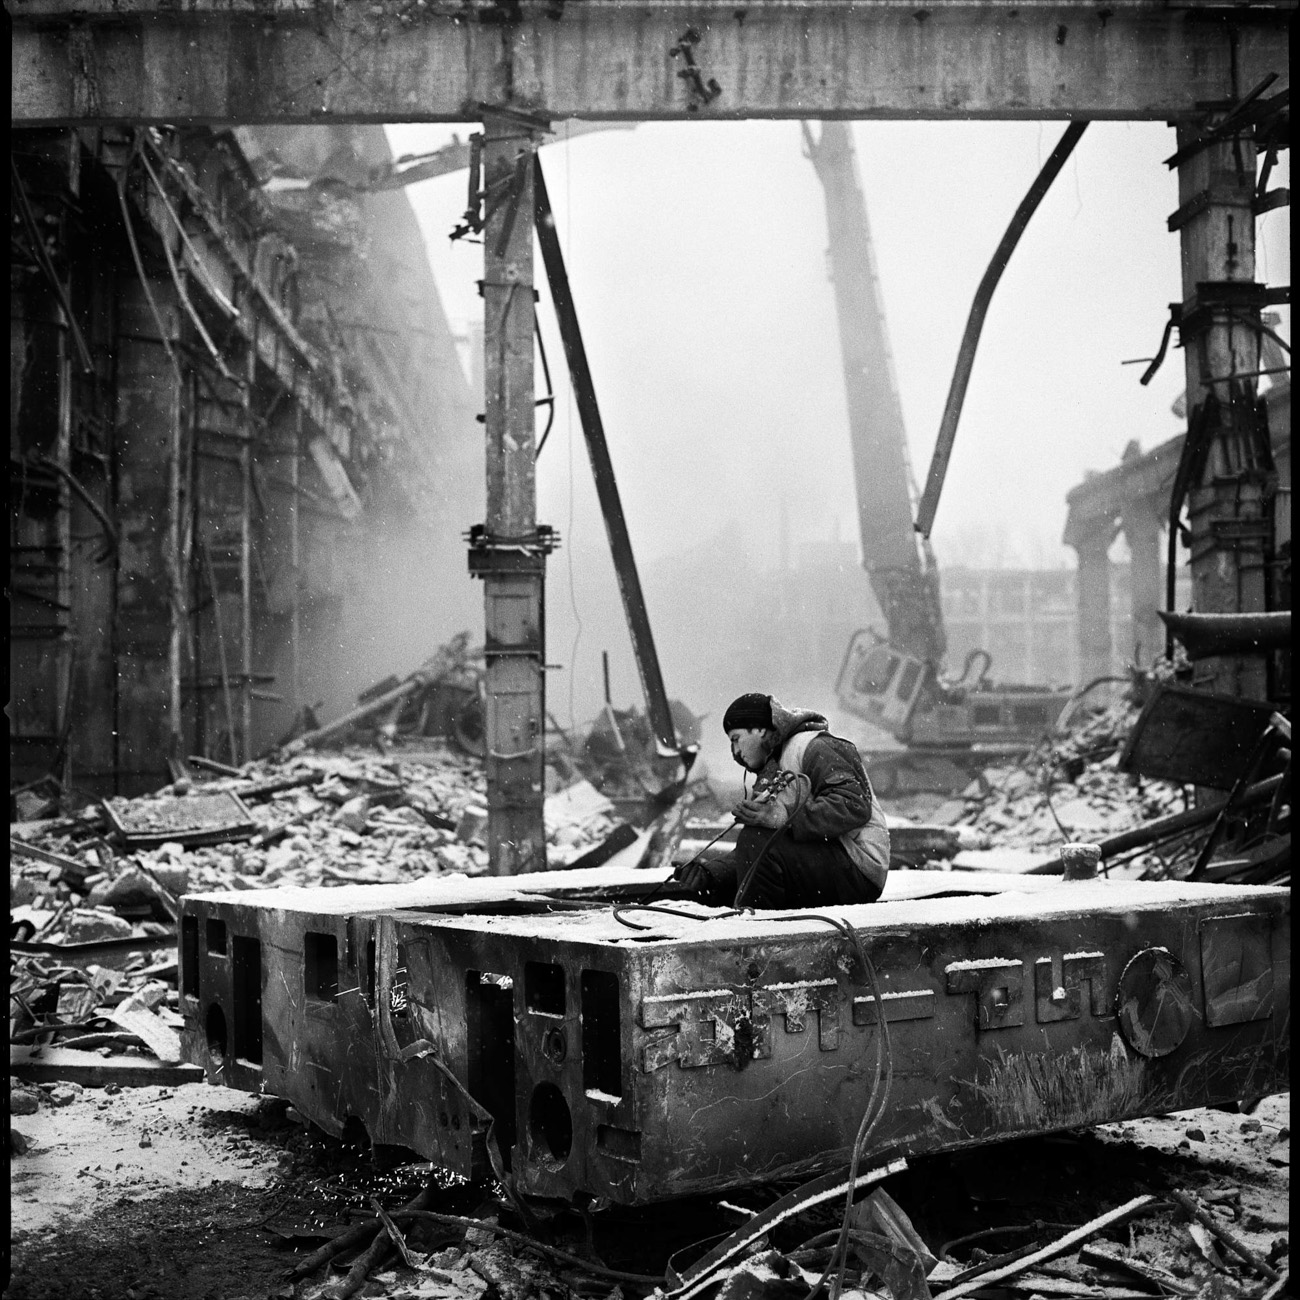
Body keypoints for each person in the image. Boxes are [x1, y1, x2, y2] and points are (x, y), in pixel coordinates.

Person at [680, 693, 889, 909]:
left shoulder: (815, 747)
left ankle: (757, 930)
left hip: (859, 869)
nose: (735, 752)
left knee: (755, 838)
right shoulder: (771, 773)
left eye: (736, 739)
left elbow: (852, 805)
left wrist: (783, 817)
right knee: (746, 852)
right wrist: (713, 872)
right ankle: (749, 920)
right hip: (831, 864)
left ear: (760, 729)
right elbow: (755, 853)